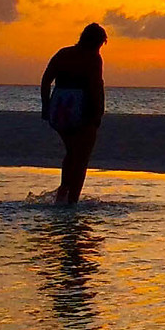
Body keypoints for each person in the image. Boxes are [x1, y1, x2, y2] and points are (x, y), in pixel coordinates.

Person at [40, 22, 108, 206]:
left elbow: (46, 80)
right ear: (97, 42)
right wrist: (97, 114)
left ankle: (63, 192)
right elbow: (95, 87)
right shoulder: (93, 58)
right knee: (82, 157)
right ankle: (72, 201)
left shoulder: (63, 54)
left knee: (72, 152)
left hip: (59, 110)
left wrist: (46, 106)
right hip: (82, 111)